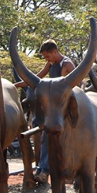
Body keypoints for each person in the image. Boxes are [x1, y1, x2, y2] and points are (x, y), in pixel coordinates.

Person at [31, 39, 75, 183]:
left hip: (65, 105)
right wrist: (17, 85)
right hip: (52, 107)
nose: (46, 59)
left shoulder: (67, 64)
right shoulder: (51, 64)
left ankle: (69, 170)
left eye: (47, 56)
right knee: (46, 137)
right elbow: (38, 78)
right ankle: (43, 170)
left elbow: (79, 83)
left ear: (55, 52)